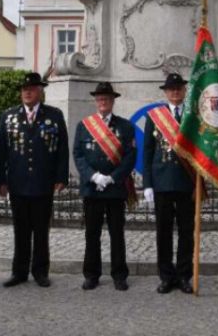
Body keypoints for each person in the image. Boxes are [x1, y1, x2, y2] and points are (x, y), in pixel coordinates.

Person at [0, 72, 69, 288]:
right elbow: (0, 151)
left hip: (43, 182)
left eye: (32, 89)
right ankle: (19, 272)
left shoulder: (54, 115)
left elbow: (62, 148)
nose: (27, 92)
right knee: (20, 230)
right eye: (24, 89)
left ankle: (40, 271)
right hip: (17, 182)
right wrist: (0, 181)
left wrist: (61, 177)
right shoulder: (9, 116)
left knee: (41, 231)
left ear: (40, 92)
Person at [72, 82, 137, 291]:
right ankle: (91, 275)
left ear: (113, 101)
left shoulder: (125, 126)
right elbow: (78, 155)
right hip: (92, 188)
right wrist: (94, 176)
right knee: (92, 234)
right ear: (95, 101)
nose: (103, 102)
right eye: (100, 98)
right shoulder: (84, 125)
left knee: (117, 234)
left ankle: (119, 275)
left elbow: (130, 157)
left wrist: (112, 178)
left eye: (107, 99)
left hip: (115, 189)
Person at [142, 72, 196, 294]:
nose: (175, 92)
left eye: (178, 88)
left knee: (186, 232)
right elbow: (147, 152)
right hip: (162, 182)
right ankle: (166, 276)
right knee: (163, 233)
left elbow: (201, 152)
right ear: (165, 92)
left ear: (184, 91)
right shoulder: (155, 117)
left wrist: (199, 183)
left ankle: (184, 276)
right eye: (171, 89)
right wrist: (147, 184)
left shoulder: (193, 116)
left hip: (186, 182)